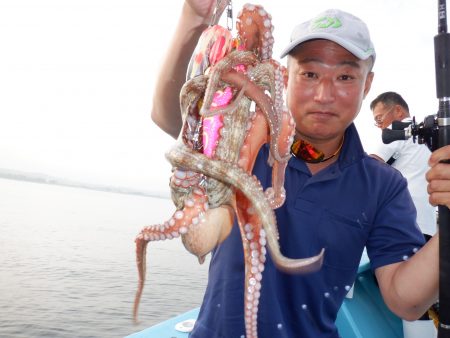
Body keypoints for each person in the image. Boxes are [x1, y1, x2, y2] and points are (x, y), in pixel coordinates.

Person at [150, 1, 448, 337]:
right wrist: (194, 19)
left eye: (346, 76)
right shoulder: (243, 142)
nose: (324, 94)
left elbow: (405, 301)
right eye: (309, 73)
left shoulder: (383, 185)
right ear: (285, 75)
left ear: (367, 85)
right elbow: (169, 117)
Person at [370, 91, 437, 337]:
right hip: (432, 231)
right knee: (428, 301)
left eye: (379, 119)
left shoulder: (399, 129)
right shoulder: (431, 139)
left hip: (406, 230)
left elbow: (371, 167)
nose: (380, 127)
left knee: (411, 304)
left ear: (397, 112)